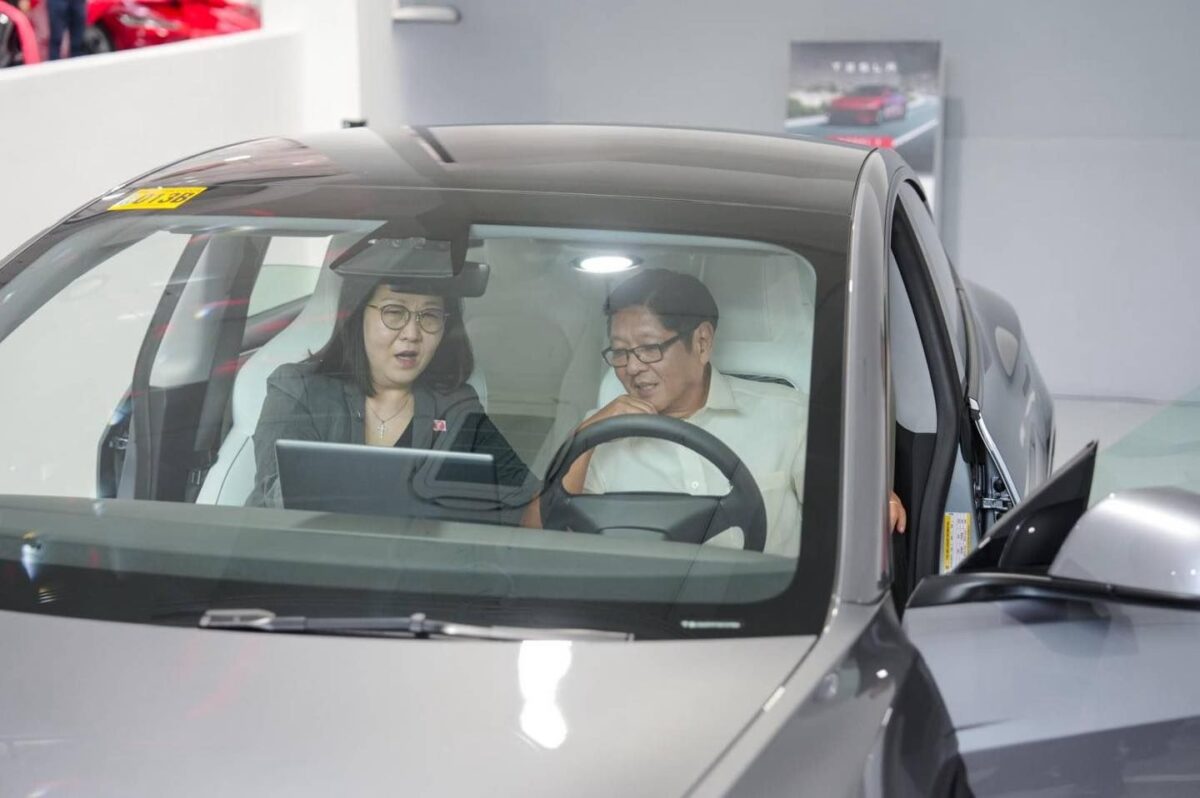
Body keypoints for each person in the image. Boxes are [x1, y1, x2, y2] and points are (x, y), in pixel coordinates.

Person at [557, 268, 905, 556]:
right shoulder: (598, 434)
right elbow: (538, 537)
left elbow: (852, 512)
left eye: (649, 348)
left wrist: (872, 500)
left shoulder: (789, 417)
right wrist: (585, 437)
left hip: (775, 619)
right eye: (619, 352)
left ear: (702, 342)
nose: (632, 368)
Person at [246, 276, 533, 510]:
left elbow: (525, 504)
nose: (412, 333)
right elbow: (277, 500)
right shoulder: (298, 389)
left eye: (429, 315)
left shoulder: (456, 405)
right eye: (394, 312)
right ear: (358, 316)